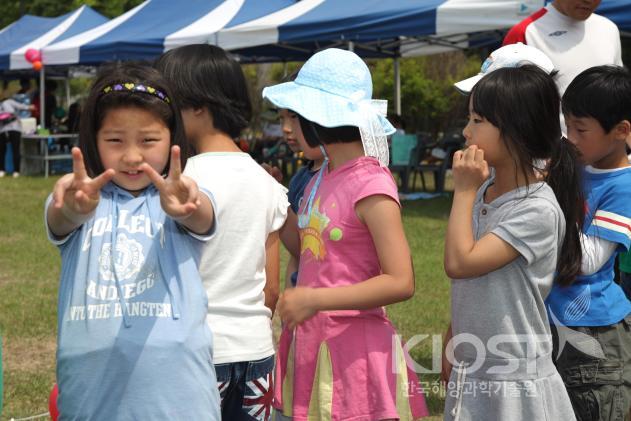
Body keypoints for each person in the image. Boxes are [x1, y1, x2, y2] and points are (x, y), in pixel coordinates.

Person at [44, 62, 220, 420]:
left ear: (173, 138)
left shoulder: (184, 195)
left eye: (149, 140)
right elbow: (61, 219)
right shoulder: (79, 196)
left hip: (180, 397)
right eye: (114, 141)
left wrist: (185, 207)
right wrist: (75, 210)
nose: (132, 156)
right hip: (90, 398)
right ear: (93, 141)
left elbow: (200, 214)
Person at [263, 48, 428, 420]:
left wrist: (317, 299)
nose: (287, 127)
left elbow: (401, 281)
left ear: (321, 118)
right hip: (311, 340)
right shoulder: (320, 175)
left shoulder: (371, 184)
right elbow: (306, 246)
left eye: (295, 115)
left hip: (353, 353)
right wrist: (270, 196)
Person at [443, 44, 583, 420]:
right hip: (476, 370)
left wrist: (465, 190)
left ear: (516, 128)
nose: (466, 131)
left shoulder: (536, 208)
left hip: (514, 386)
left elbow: (459, 262)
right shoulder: (484, 193)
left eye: (477, 121)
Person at [155, 44, 288, 421]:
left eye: (168, 104)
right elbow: (272, 289)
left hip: (193, 355)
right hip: (257, 355)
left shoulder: (181, 184)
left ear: (199, 106)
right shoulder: (267, 183)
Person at [545, 65, 631, 421]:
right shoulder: (576, 164)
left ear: (622, 131)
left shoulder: (623, 187)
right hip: (555, 323)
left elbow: (587, 260)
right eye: (567, 126)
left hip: (595, 332)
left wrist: (538, 225)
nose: (571, 137)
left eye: (580, 129)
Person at [503, 0, 623, 97]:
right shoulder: (524, 32)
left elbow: (618, 90)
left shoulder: (609, 28)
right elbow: (503, 100)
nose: (588, 1)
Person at [278, 105, 325, 287]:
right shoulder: (300, 179)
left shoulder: (348, 179)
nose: (286, 128)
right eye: (281, 119)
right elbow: (298, 252)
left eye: (294, 117)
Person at [0, 96, 33, 177]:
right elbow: (22, 106)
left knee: (15, 150)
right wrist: (29, 107)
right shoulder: (8, 102)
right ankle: (2, 170)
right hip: (3, 130)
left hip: (14, 129)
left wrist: (29, 107)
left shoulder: (9, 101)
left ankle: (16, 171)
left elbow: (21, 106)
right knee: (2, 151)